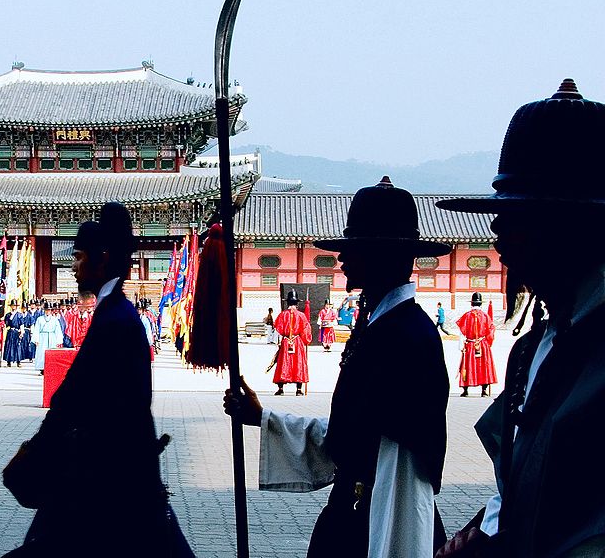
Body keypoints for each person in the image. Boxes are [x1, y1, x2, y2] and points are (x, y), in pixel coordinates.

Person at [226, 177, 450, 557]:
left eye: (355, 250)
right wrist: (264, 418)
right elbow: (352, 432)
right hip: (355, 509)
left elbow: (403, 463)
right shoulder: (378, 325)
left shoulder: (407, 337)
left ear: (381, 257)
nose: (342, 259)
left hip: (381, 518)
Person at [435, 79, 605, 557]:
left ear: (571, 229)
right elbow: (516, 487)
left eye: (518, 219)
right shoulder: (536, 343)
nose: (498, 238)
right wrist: (481, 536)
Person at [2, 202, 185, 556]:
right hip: (109, 474)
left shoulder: (117, 320)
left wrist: (40, 451)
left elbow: (78, 403)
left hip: (108, 478)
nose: (72, 266)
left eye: (78, 256)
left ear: (101, 258)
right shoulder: (115, 313)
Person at [269, 289, 311, 396]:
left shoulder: (282, 315)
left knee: (283, 362)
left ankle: (281, 388)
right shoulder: (301, 315)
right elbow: (306, 330)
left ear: (287, 302)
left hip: (286, 341)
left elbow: (278, 328)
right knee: (298, 363)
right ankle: (298, 390)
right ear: (297, 303)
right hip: (297, 341)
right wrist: (306, 340)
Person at [456, 292, 496, 397]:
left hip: (470, 344)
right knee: (484, 365)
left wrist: (461, 346)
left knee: (468, 365)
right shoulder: (486, 316)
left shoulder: (467, 316)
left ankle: (465, 390)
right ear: (481, 304)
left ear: (471, 303)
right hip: (482, 344)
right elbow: (491, 331)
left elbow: (461, 332)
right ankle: (484, 390)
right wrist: (488, 343)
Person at [32, 302, 63, 376]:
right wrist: (36, 339)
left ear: (51, 310)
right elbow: (36, 329)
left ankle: (51, 368)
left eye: (49, 310)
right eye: (46, 310)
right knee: (42, 352)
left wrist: (59, 340)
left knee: (51, 353)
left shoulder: (54, 319)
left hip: (52, 337)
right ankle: (42, 369)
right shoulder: (40, 319)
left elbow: (58, 330)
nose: (47, 311)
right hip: (43, 337)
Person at [3, 300, 24, 367]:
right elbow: (6, 324)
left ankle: (18, 361)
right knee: (9, 346)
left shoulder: (19, 315)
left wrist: (22, 332)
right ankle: (8, 361)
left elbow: (21, 324)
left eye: (14, 305)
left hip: (17, 332)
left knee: (17, 346)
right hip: (10, 331)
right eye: (12, 305)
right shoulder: (8, 315)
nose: (13, 307)